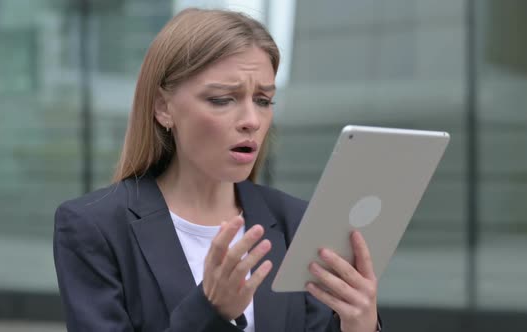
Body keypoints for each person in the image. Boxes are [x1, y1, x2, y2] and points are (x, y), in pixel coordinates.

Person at [53, 8, 381, 332]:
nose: (252, 120)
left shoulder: (297, 223)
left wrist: (359, 327)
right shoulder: (94, 228)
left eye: (263, 100)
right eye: (223, 99)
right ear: (163, 108)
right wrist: (210, 310)